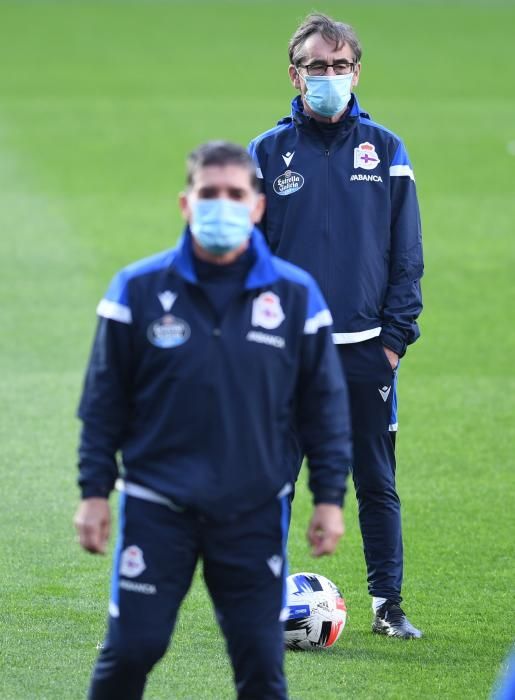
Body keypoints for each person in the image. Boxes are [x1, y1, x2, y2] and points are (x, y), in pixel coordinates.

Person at [74, 141, 352, 699]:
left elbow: (324, 406)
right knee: (131, 650)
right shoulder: (138, 289)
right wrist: (94, 492)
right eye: (208, 194)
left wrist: (328, 498)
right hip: (158, 507)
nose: (220, 205)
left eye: (234, 194)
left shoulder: (297, 296)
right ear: (186, 203)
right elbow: (104, 402)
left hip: (251, 512)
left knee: (261, 667)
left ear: (256, 206)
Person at [248, 13, 424, 639]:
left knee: (376, 481)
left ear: (356, 72)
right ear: (294, 75)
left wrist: (395, 341)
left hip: (366, 351)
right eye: (317, 67)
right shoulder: (266, 155)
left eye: (340, 65)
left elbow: (407, 257)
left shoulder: (388, 150)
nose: (329, 76)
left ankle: (388, 607)